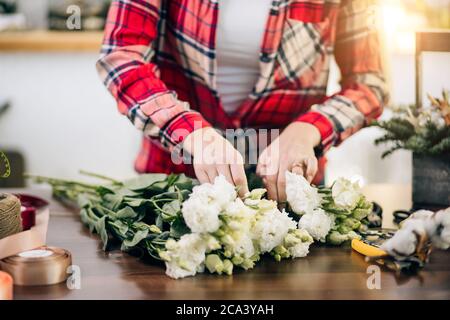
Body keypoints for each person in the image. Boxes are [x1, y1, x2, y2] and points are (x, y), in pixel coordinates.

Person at [96, 0, 388, 203]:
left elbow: (369, 84)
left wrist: (307, 131)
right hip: (174, 183)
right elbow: (122, 56)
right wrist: (193, 134)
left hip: (291, 190)